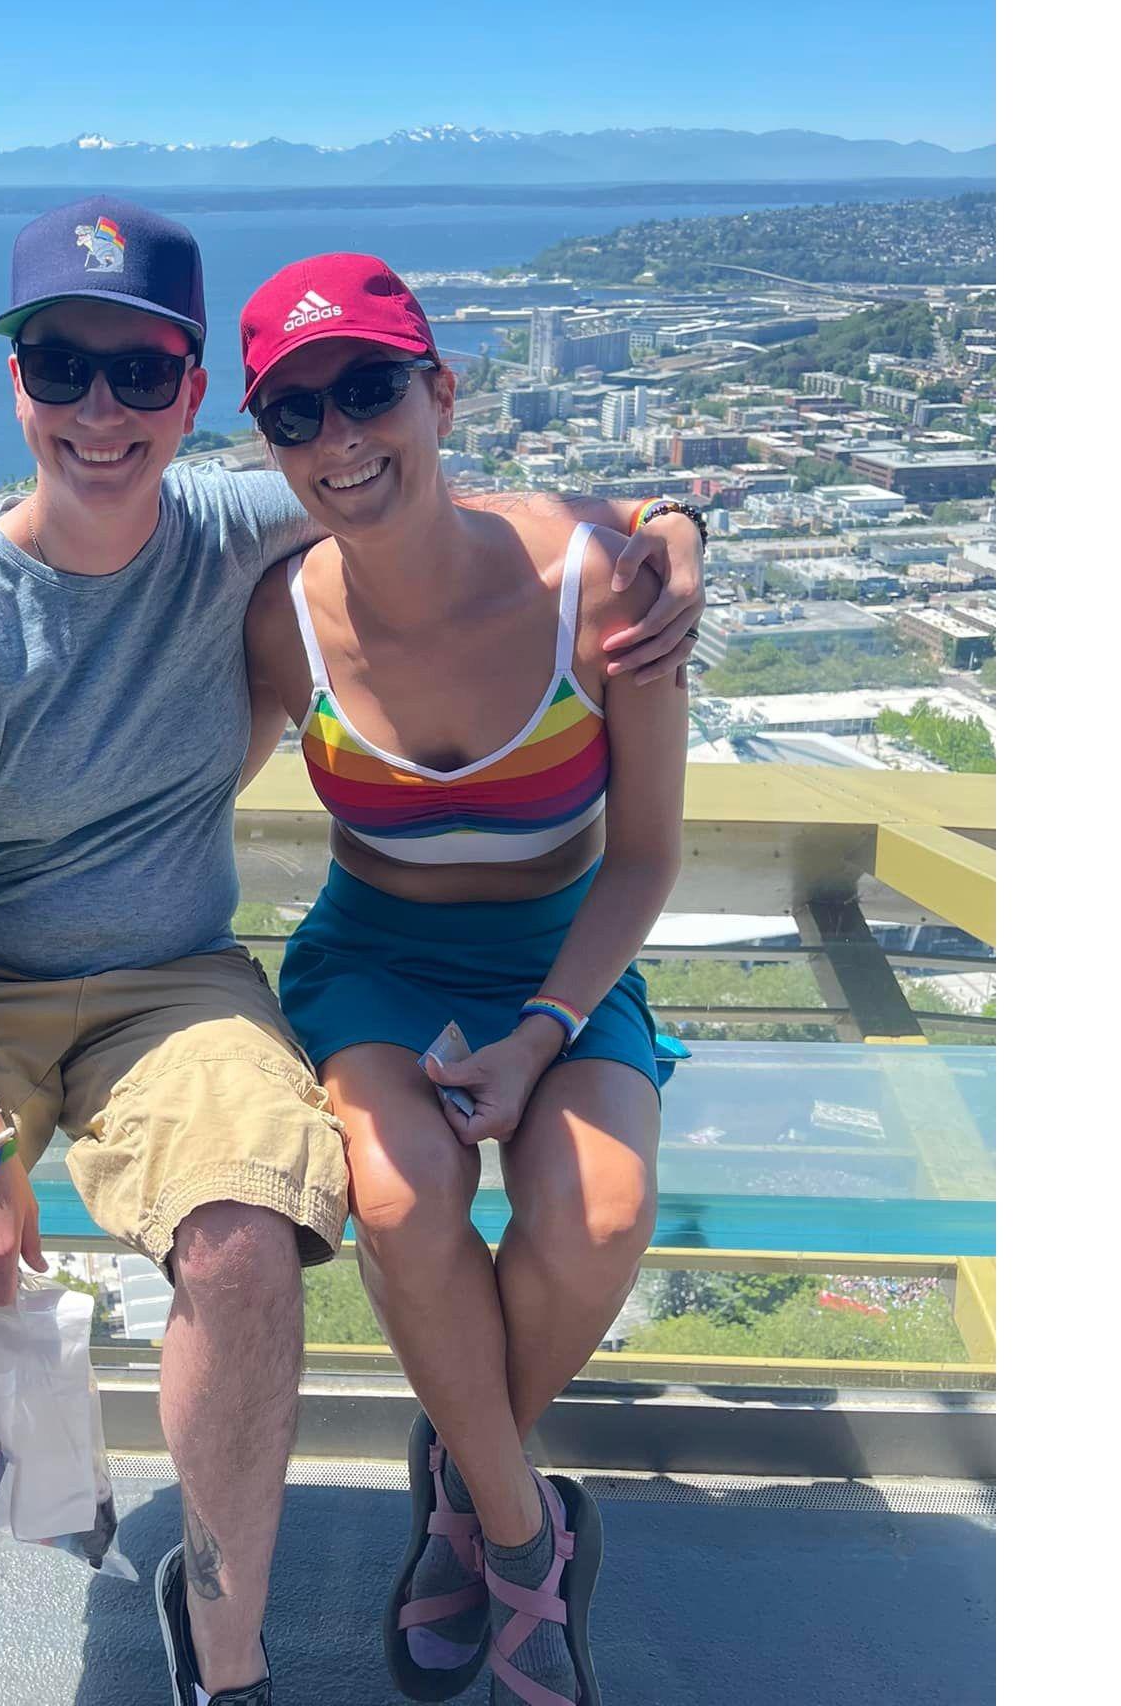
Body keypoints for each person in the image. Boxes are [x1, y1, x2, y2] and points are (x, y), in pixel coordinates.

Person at [0, 197, 706, 1706]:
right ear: (19, 387)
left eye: (140, 373)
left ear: (188, 398)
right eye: (61, 368)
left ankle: (226, 1653)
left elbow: (444, 494)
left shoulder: (252, 522)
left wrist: (675, 527)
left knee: (248, 1241)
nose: (99, 410)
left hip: (177, 985)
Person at [238, 253, 694, 1706]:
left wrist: (546, 1026)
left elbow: (645, 859)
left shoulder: (601, 587)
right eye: (295, 413)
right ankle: (521, 1542)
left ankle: (460, 1465)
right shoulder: (280, 621)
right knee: (400, 1192)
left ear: (443, 390)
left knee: (599, 1213)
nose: (340, 439)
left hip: (565, 955)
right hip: (372, 954)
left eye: (371, 389)